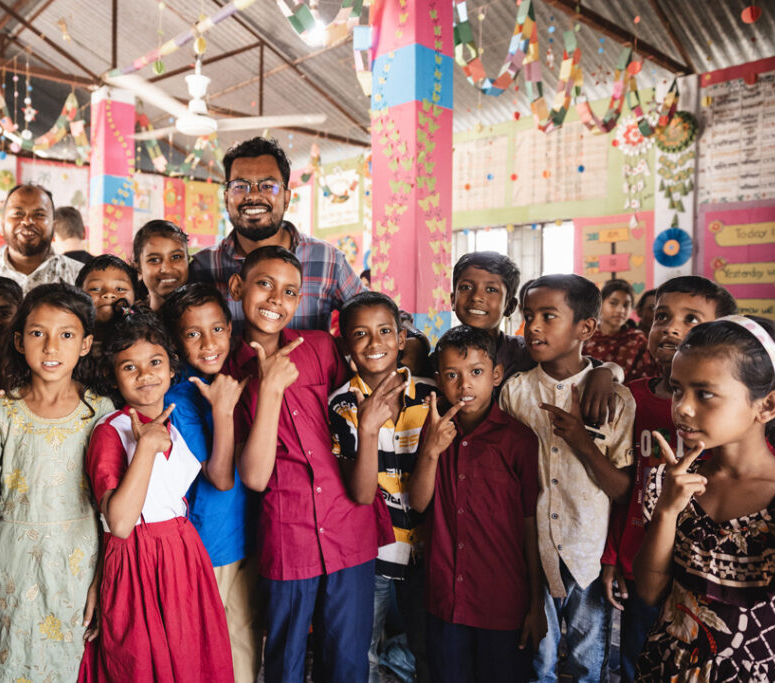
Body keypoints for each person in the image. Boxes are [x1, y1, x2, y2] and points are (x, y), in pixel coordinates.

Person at [0, 284, 114, 681]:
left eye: (66, 335)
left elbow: (111, 510)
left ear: (85, 344)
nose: (51, 347)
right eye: (38, 333)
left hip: (80, 568)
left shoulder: (101, 411)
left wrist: (102, 582)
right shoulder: (2, 410)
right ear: (18, 341)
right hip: (12, 572)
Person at [227, 246, 376, 682]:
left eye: (289, 291)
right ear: (238, 287)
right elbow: (254, 477)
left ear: (300, 301)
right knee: (286, 662)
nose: (276, 299)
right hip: (287, 535)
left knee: (347, 662)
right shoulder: (230, 377)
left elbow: (350, 416)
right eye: (264, 285)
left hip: (348, 525)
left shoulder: (321, 348)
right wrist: (268, 387)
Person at [634, 315, 775, 680]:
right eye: (677, 389)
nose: (683, 408)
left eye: (704, 393)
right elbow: (649, 593)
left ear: (768, 406)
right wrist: (666, 512)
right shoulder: (673, 483)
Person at [78, 309, 234, 682]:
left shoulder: (172, 423)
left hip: (182, 555)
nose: (145, 374)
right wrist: (144, 449)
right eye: (129, 367)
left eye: (155, 362)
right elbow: (119, 522)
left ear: (171, 366)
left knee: (189, 656)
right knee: (143, 661)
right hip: (138, 559)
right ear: (112, 376)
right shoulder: (111, 430)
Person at [500, 274, 635, 683]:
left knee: (586, 663)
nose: (533, 327)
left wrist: (582, 441)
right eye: (528, 316)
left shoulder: (616, 400)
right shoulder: (516, 393)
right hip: (531, 551)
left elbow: (622, 490)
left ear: (586, 328)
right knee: (536, 662)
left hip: (587, 553)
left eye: (548, 316)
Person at [600, 276, 736, 682]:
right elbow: (620, 489)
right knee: (636, 662)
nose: (672, 328)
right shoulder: (631, 399)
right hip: (638, 562)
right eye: (662, 316)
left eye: (691, 319)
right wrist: (611, 557)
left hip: (703, 571)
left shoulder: (727, 414)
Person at [409, 325, 545, 682]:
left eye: (476, 373)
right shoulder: (434, 430)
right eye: (452, 375)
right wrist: (431, 451)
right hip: (446, 601)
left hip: (503, 604)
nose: (464, 385)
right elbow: (420, 503)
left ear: (496, 375)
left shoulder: (518, 440)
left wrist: (535, 605)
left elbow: (531, 525)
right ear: (439, 379)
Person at [328, 291, 434, 683]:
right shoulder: (339, 406)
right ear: (345, 345)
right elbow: (360, 493)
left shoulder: (430, 395)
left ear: (401, 338)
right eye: (361, 334)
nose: (375, 343)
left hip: (427, 549)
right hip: (372, 555)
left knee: (425, 647)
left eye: (385, 331)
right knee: (364, 649)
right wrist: (368, 428)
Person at [160, 283, 259, 683]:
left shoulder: (229, 377)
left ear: (231, 329)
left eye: (216, 329)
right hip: (211, 543)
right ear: (176, 343)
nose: (208, 343)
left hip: (244, 534)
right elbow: (218, 477)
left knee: (244, 636)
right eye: (192, 334)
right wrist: (221, 412)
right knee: (217, 644)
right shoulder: (179, 397)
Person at [190, 137, 365, 333]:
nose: (254, 195)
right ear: (226, 197)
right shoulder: (201, 267)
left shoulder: (328, 261)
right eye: (240, 186)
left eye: (268, 186)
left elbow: (377, 316)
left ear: (286, 198)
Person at [451, 252, 621, 424]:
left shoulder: (524, 352)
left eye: (491, 290)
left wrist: (607, 371)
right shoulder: (444, 355)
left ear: (510, 307)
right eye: (466, 287)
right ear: (452, 299)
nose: (477, 297)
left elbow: (579, 366)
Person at [0, 184, 83, 291]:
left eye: (39, 215)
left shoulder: (80, 278)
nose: (27, 222)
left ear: (53, 226)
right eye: (18, 214)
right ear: (3, 224)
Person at [583, 279, 657, 383]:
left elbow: (645, 380)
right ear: (600, 305)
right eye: (613, 303)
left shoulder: (637, 340)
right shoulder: (585, 336)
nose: (620, 310)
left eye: (626, 305)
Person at [133, 220, 190, 311]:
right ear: (138, 269)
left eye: (176, 257)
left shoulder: (206, 315)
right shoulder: (130, 319)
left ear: (188, 260)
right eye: (154, 260)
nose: (166, 269)